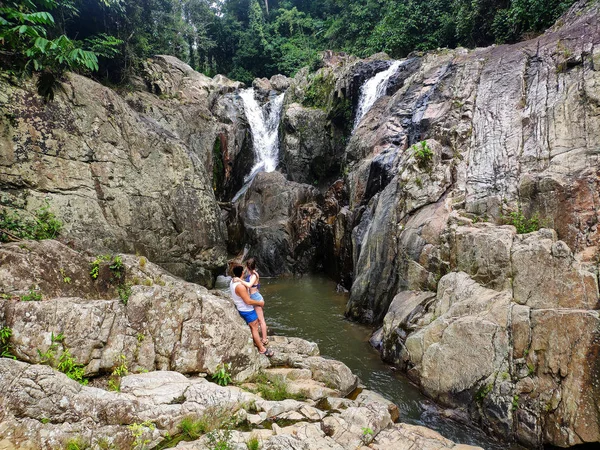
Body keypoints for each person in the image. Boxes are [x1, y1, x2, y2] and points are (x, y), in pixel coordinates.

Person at [230, 265, 274, 357]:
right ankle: (262, 349)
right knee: (254, 327)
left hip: (242, 308)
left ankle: (256, 341)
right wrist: (259, 303)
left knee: (254, 325)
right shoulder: (240, 286)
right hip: (246, 310)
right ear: (242, 273)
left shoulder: (233, 281)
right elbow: (248, 301)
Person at [236, 258, 268, 346]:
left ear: (247, 266)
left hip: (256, 298)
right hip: (254, 296)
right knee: (257, 319)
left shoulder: (254, 275)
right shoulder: (251, 275)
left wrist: (239, 280)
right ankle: (260, 337)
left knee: (261, 320)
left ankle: (264, 339)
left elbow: (250, 285)